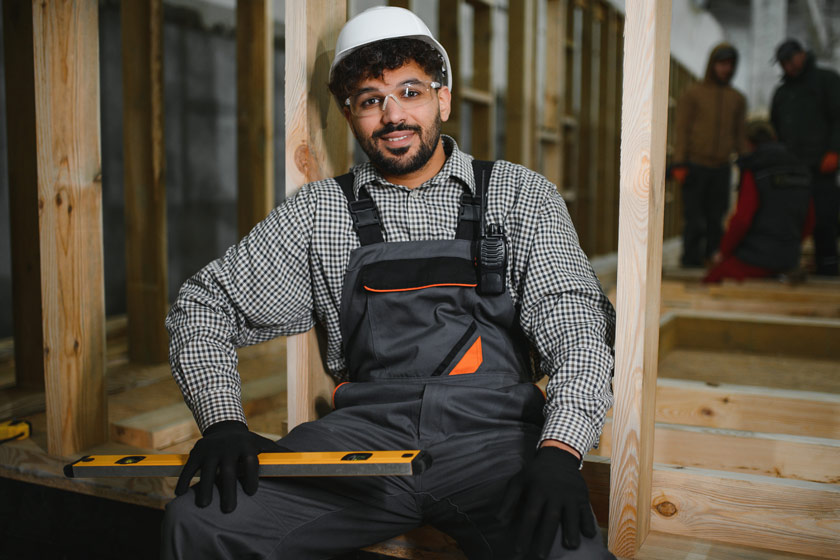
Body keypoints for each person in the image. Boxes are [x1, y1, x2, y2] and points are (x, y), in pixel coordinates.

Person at [161, 7, 616, 560]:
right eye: (371, 100)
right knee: (201, 523)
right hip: (361, 446)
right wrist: (222, 422)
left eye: (410, 92)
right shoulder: (320, 213)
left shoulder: (520, 196)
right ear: (349, 115)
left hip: (496, 446)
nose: (393, 115)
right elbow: (201, 305)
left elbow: (579, 335)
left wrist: (560, 451)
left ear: (442, 99)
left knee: (570, 553)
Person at [704, 120, 814, 284]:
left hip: (755, 258)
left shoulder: (755, 171)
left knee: (711, 282)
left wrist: (723, 252)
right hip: (789, 258)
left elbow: (742, 220)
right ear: (775, 138)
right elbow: (809, 219)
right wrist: (790, 246)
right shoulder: (801, 170)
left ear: (749, 144)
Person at [672, 43, 748, 268]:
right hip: (695, 166)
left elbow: (740, 134)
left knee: (717, 218)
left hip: (721, 168)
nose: (726, 69)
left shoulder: (737, 99)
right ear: (712, 65)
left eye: (730, 65)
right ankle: (690, 260)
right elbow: (682, 130)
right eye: (722, 64)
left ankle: (712, 259)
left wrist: (746, 162)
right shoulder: (693, 94)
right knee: (694, 220)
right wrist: (679, 162)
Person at [770, 38, 840, 276]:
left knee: (824, 221)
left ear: (802, 55)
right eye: (782, 62)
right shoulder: (782, 93)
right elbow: (775, 131)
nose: (787, 66)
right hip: (792, 170)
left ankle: (828, 270)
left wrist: (835, 151)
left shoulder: (827, 81)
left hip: (822, 167)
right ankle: (788, 267)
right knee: (789, 222)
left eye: (790, 59)